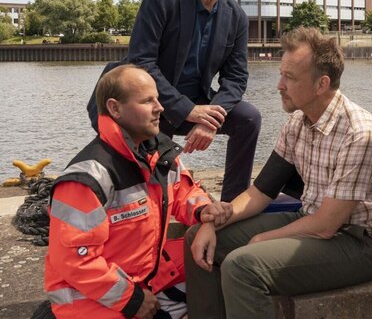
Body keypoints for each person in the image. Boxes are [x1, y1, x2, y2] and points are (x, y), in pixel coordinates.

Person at [184, 27, 372, 319]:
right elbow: (260, 192)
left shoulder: (360, 134)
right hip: (311, 219)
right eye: (281, 74)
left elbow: (327, 225)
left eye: (290, 77)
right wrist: (218, 220)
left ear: (321, 85)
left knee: (243, 266)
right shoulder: (298, 122)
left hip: (358, 242)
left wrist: (264, 239)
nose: (279, 85)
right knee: (197, 236)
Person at [45, 64, 234, 319]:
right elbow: (76, 261)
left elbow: (184, 192)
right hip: (91, 303)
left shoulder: (157, 153)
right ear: (115, 108)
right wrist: (132, 300)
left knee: (224, 252)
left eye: (157, 98)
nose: (160, 107)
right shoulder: (87, 179)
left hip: (143, 280)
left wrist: (204, 211)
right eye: (147, 101)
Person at [87, 0, 260, 202]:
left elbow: (236, 78)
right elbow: (142, 63)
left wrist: (210, 119)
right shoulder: (161, 0)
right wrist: (189, 111)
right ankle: (136, 201)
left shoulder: (235, 16)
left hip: (196, 101)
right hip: (144, 99)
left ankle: (232, 205)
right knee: (154, 178)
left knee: (248, 118)